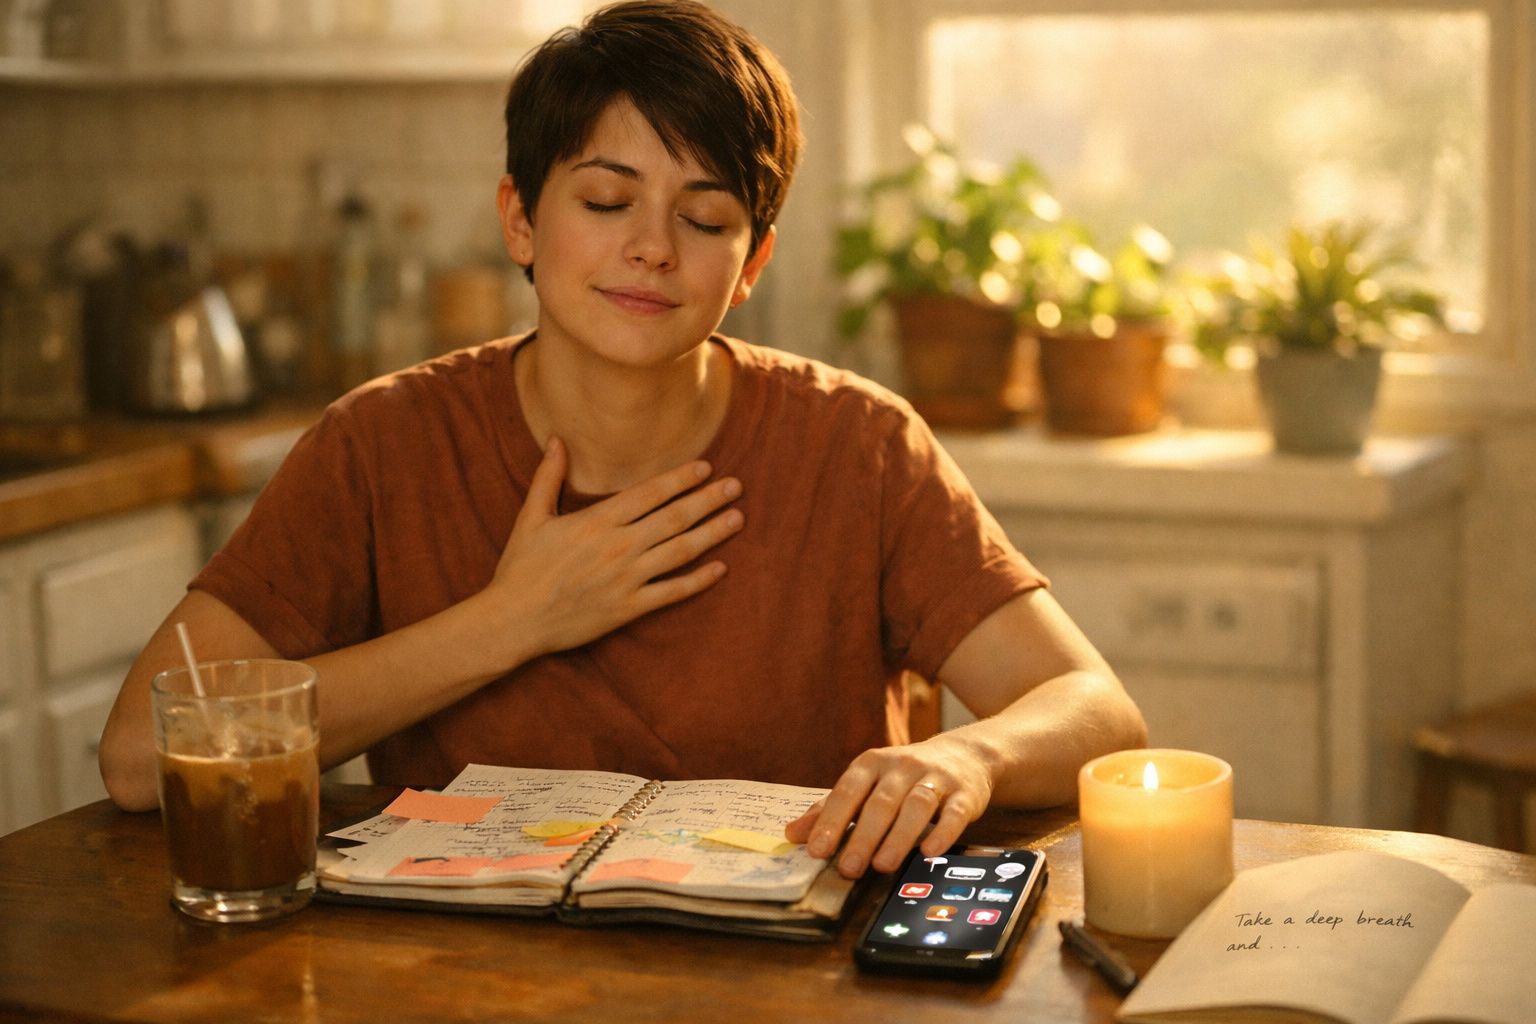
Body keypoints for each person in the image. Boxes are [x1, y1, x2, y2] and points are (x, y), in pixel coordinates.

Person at [98, 0, 1145, 880]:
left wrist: (972, 757)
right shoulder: (382, 442)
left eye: (705, 218)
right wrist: (511, 621)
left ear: (752, 263)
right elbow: (144, 756)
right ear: (520, 220)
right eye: (606, 200)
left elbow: (1098, 712)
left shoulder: (857, 444)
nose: (650, 248)